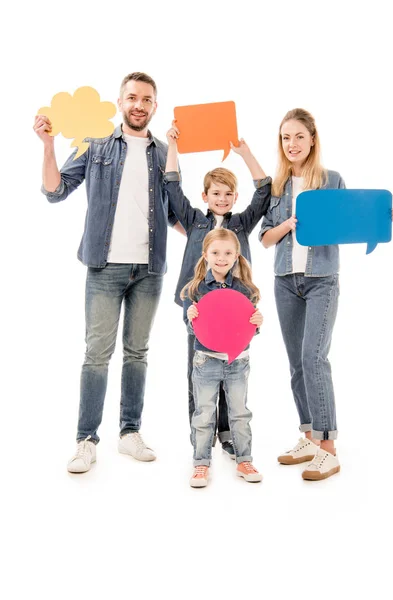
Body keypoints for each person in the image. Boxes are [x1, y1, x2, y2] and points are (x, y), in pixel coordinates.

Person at [34, 72, 185, 473]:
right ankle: (86, 440)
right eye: (132, 97)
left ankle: (129, 433)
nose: (139, 105)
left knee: (138, 353)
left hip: (149, 269)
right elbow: (55, 190)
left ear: (155, 106)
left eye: (147, 99)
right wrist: (48, 145)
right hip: (105, 266)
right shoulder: (96, 144)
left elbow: (176, 214)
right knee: (97, 355)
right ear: (120, 102)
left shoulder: (165, 151)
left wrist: (216, 229)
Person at [164, 121, 271, 459]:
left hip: (237, 311)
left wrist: (244, 153)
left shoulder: (241, 224)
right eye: (216, 193)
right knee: (198, 371)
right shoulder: (195, 221)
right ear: (205, 196)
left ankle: (226, 432)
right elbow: (171, 187)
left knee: (233, 369)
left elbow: (265, 191)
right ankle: (202, 435)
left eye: (228, 194)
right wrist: (173, 147)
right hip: (199, 310)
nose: (222, 199)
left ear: (234, 197)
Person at [259, 107, 347, 480]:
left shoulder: (332, 180)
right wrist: (287, 225)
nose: (292, 144)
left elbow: (347, 225)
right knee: (297, 362)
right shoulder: (276, 187)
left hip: (321, 279)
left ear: (312, 139)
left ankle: (328, 446)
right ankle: (309, 436)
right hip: (284, 280)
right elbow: (264, 238)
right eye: (285, 137)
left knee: (314, 357)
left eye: (298, 136)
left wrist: (377, 216)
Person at [182, 229, 263, 487]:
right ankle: (201, 464)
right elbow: (192, 328)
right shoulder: (194, 289)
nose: (221, 258)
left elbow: (247, 327)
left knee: (240, 412)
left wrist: (257, 322)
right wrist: (192, 317)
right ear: (205, 255)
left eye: (228, 253)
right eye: (215, 253)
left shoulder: (245, 289)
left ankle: (244, 459)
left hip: (238, 361)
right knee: (204, 413)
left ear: (236, 256)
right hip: (206, 360)